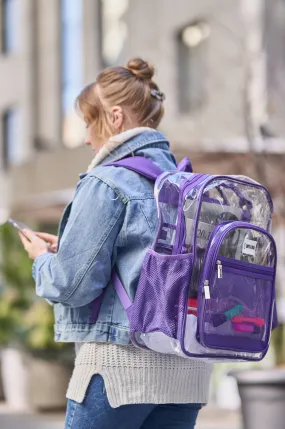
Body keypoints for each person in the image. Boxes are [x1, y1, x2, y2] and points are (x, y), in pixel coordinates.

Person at [19, 58, 213, 429]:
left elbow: (71, 284)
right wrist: (72, 245)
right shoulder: (182, 184)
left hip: (120, 372)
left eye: (89, 124)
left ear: (116, 116)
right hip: (187, 373)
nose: (87, 139)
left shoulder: (107, 182)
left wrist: (42, 260)